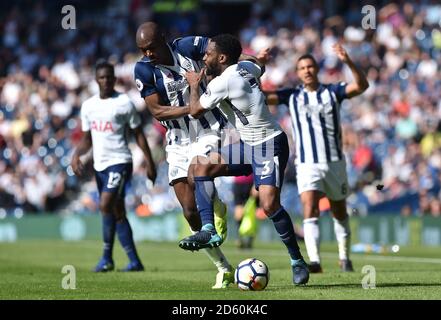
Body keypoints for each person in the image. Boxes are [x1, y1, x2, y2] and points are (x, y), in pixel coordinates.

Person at [179, 34, 310, 285]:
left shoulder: (224, 82)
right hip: (248, 144)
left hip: (269, 144)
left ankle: (297, 261)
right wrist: (258, 59)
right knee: (201, 167)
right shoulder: (245, 67)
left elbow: (195, 111)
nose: (204, 57)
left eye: (208, 54)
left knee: (269, 205)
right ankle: (209, 230)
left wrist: (195, 84)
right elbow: (258, 65)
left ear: (222, 58)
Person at [134, 22, 237, 288]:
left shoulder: (186, 47)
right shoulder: (143, 70)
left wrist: (247, 62)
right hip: (177, 140)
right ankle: (223, 267)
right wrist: (194, 106)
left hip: (208, 130)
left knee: (196, 173)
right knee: (189, 210)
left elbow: (221, 51)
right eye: (142, 50)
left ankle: (214, 207)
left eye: (152, 48)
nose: (148, 54)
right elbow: (157, 111)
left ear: (164, 39)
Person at [265, 44, 369, 272]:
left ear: (317, 68)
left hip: (334, 162)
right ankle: (315, 261)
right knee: (309, 208)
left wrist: (348, 61)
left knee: (339, 211)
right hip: (306, 163)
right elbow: (260, 96)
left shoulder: (333, 91)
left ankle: (344, 257)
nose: (307, 70)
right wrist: (258, 66)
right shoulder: (290, 96)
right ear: (298, 72)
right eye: (302, 67)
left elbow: (362, 86)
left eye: (310, 66)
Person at [71, 60, 157, 272]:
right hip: (100, 166)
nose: (106, 81)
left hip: (120, 162)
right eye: (102, 77)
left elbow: (139, 134)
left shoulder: (124, 103)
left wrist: (150, 162)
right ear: (96, 79)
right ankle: (135, 261)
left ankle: (106, 258)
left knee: (105, 205)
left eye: (110, 77)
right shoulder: (89, 106)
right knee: (118, 212)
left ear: (115, 79)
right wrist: (76, 155)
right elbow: (87, 138)